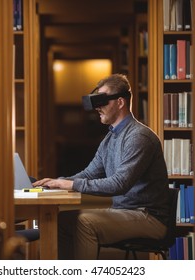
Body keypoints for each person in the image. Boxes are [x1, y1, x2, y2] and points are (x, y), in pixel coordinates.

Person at [33, 73, 170, 259]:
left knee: (85, 223)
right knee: (61, 220)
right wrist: (57, 182)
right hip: (124, 212)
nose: (97, 108)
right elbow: (90, 173)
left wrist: (70, 185)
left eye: (102, 101)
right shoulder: (111, 137)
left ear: (120, 102)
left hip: (148, 217)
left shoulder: (139, 137)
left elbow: (119, 184)